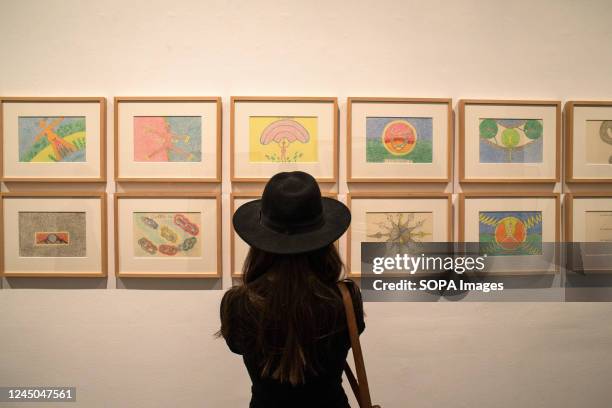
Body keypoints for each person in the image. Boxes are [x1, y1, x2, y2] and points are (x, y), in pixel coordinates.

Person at [218, 171, 365, 408]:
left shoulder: (238, 303)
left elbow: (236, 346)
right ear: (324, 242)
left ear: (260, 243)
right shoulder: (346, 299)